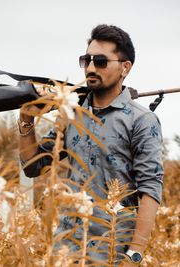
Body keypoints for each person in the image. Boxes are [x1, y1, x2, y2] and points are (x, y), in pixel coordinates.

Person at [18, 24, 163, 266]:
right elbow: (34, 167)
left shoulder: (141, 120)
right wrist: (26, 121)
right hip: (66, 247)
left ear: (125, 67)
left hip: (112, 250)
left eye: (101, 61)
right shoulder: (72, 114)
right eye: (86, 60)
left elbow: (150, 187)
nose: (91, 68)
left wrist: (135, 253)